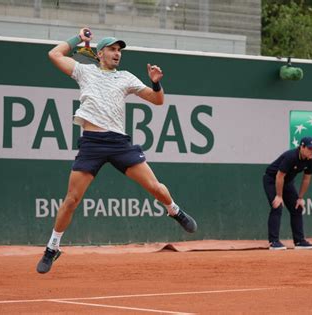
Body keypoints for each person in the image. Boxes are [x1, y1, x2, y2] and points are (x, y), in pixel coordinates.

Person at [36, 28, 197, 274]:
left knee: (154, 187)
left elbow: (157, 100)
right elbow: (54, 54)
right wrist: (78, 39)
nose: (117, 53)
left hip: (119, 143)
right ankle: (52, 247)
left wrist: (156, 83)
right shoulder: (84, 71)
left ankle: (173, 210)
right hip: (92, 144)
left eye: (119, 50)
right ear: (99, 53)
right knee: (71, 200)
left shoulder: (126, 77)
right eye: (112, 49)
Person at [262, 136, 312, 250]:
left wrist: (300, 197)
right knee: (277, 206)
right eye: (309, 148)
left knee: (297, 207)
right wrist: (279, 196)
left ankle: (299, 241)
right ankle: (273, 242)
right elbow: (279, 176)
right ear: (302, 147)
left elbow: (306, 179)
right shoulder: (291, 156)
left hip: (287, 182)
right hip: (272, 180)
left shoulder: (311, 159)